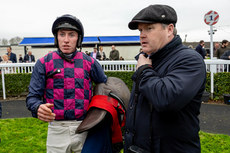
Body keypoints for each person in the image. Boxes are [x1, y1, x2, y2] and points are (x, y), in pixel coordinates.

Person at [124, 4, 206, 153]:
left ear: (169, 29)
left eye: (149, 28)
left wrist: (144, 70)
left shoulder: (189, 59)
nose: (142, 34)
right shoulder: (149, 58)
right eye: (141, 30)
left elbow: (166, 99)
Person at [26, 14, 107, 153]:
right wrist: (37, 107)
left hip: (86, 127)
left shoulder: (90, 62)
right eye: (62, 34)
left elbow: (105, 86)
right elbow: (32, 97)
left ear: (78, 38)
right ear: (56, 37)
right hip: (56, 130)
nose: (66, 40)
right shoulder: (43, 63)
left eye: (71, 35)